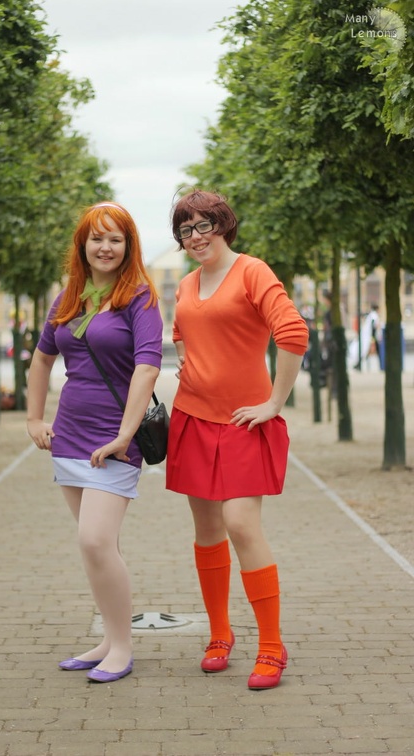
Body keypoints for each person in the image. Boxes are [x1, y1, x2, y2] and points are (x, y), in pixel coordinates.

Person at [166, 190, 309, 690]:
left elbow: (292, 333)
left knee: (241, 523)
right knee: (207, 530)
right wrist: (186, 359)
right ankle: (219, 635)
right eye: (186, 229)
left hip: (245, 421)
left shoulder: (252, 272)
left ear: (224, 224)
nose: (195, 236)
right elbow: (181, 331)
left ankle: (271, 645)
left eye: (204, 225)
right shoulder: (186, 284)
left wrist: (274, 403)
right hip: (192, 418)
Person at [26, 202, 163, 683]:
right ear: (82, 244)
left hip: (115, 440)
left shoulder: (140, 298)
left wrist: (124, 435)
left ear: (129, 246)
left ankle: (122, 648)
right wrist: (34, 418)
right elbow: (41, 360)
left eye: (115, 239)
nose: (105, 247)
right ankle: (108, 640)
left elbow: (147, 368)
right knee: (99, 548)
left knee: (95, 540)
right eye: (97, 238)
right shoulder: (69, 298)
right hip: (69, 437)